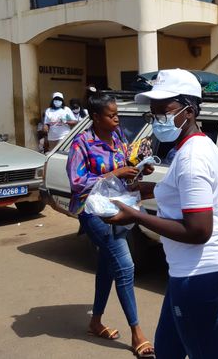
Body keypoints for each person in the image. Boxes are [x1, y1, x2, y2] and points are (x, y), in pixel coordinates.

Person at [106, 69, 218, 359]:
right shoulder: (192, 147)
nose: (157, 119)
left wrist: (136, 216)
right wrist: (146, 189)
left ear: (189, 111)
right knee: (168, 348)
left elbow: (198, 231)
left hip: (200, 271)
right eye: (152, 113)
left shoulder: (193, 158)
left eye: (163, 111)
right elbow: (183, 193)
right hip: (191, 268)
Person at [66, 93, 156, 358]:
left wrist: (140, 168)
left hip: (118, 204)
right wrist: (114, 173)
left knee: (107, 265)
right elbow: (77, 182)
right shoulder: (82, 143)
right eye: (111, 114)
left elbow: (127, 164)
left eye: (117, 113)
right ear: (95, 117)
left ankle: (95, 322)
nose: (117, 118)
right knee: (125, 265)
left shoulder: (118, 138)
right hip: (92, 211)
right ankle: (137, 332)